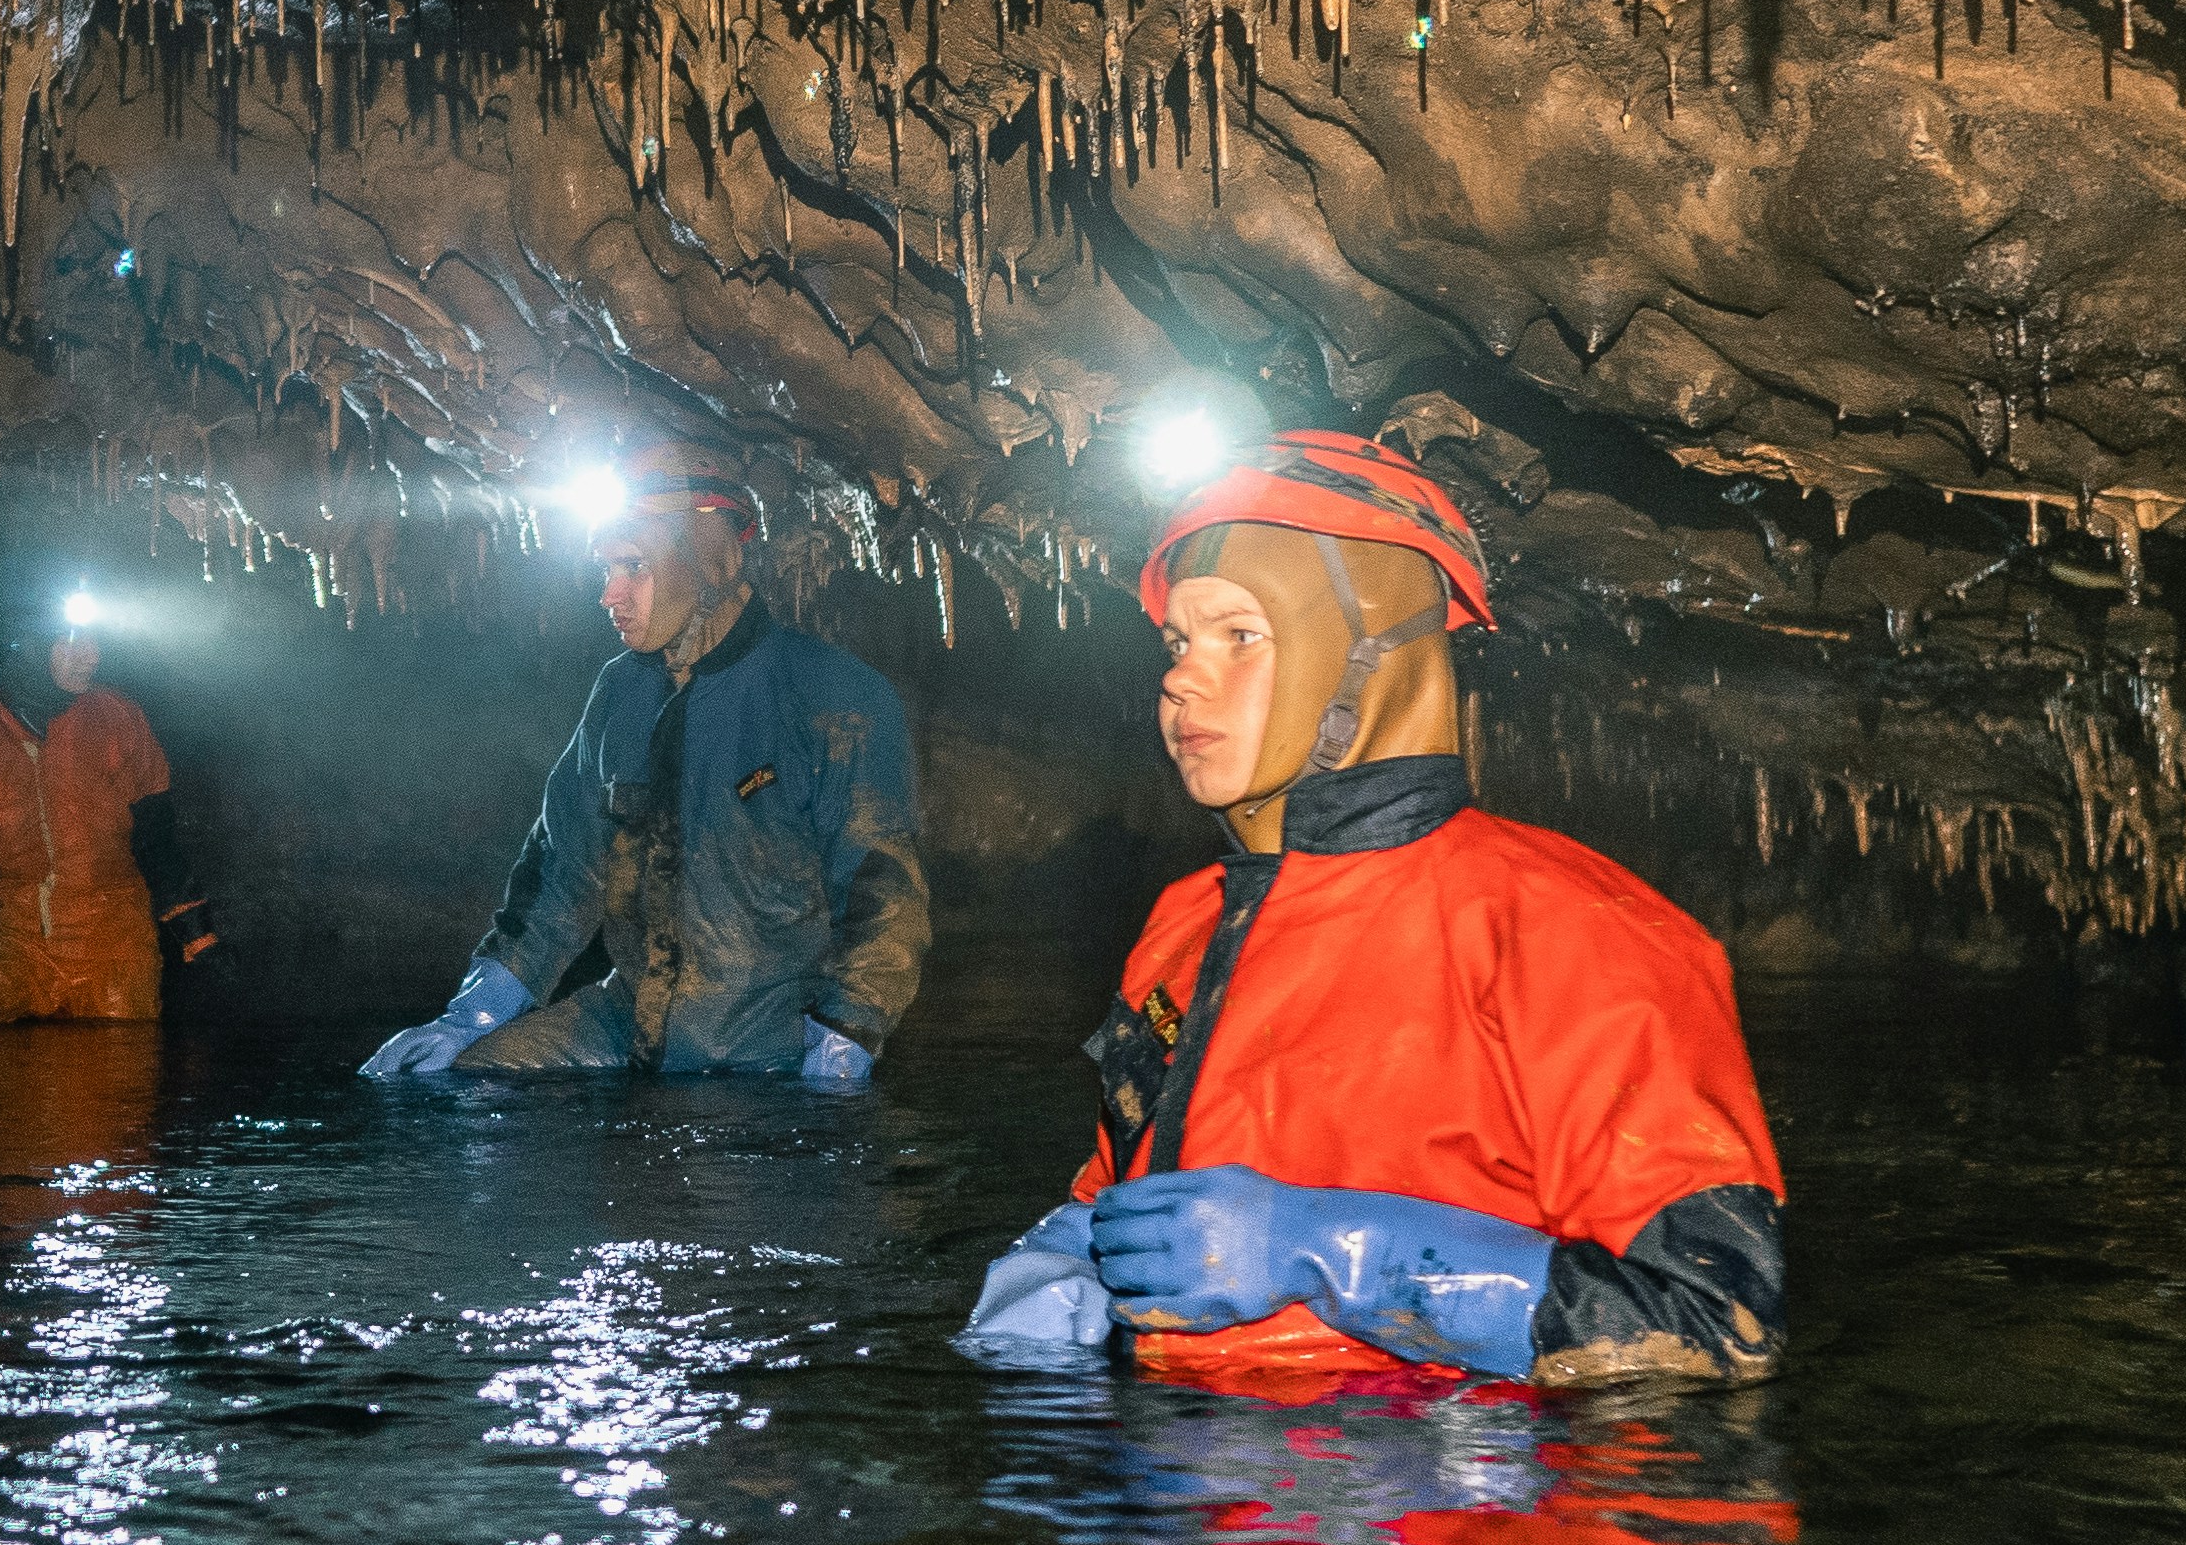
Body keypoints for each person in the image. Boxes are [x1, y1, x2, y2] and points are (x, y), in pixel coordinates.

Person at [961, 431, 1785, 1382]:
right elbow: (1125, 1179)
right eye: (1179, 643)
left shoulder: (1577, 931)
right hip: (1187, 1495)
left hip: (1455, 1505)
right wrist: (1068, 1251)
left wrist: (1341, 1254)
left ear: (1371, 656)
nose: (1181, 678)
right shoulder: (1182, 927)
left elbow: (1721, 1323)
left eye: (1239, 636)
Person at [356, 429, 926, 1087]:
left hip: (768, 1041)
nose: (610, 593)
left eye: (633, 566)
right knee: (442, 1081)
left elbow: (883, 895)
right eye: (606, 570)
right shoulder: (620, 693)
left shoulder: (831, 695)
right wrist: (467, 1019)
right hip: (629, 1022)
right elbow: (560, 875)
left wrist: (843, 1040)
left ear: (705, 558)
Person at [0, 596, 209, 1026]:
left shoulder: (117, 718)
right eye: (72, 644)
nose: (92, 656)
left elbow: (157, 837)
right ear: (33, 649)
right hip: (16, 938)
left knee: (116, 1060)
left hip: (112, 940)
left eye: (94, 642)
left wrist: (197, 934)